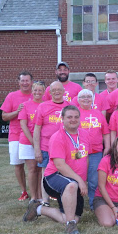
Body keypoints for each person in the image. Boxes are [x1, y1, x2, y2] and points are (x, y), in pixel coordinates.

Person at [26, 105, 88, 234]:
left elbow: (84, 157)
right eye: (69, 117)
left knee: (73, 217)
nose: (73, 119)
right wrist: (80, 181)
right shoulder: (57, 137)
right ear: (62, 119)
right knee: (72, 185)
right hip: (54, 177)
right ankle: (70, 226)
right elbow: (60, 165)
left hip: (73, 180)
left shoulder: (85, 134)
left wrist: (83, 179)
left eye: (76, 117)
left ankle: (38, 209)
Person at [32, 81, 68, 209]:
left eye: (59, 89)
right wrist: (37, 150)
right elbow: (37, 129)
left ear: (64, 91)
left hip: (65, 147)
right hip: (47, 146)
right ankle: (45, 200)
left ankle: (64, 198)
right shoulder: (43, 106)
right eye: (54, 90)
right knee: (46, 173)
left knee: (64, 173)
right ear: (50, 92)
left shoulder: (70, 106)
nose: (56, 92)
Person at [75, 89, 110, 209]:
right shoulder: (75, 113)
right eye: (83, 97)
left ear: (92, 99)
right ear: (78, 100)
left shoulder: (98, 113)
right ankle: (75, 202)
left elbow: (105, 132)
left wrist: (108, 146)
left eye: (88, 97)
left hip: (96, 152)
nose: (86, 99)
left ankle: (92, 203)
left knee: (94, 180)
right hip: (78, 152)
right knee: (77, 176)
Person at [2, 70, 33, 201]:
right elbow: (4, 116)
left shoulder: (37, 94)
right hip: (15, 136)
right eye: (23, 80)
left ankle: (39, 191)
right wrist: (17, 111)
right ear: (19, 82)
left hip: (32, 136)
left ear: (31, 82)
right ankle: (24, 191)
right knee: (18, 164)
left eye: (27, 80)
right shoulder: (12, 96)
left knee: (35, 167)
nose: (25, 83)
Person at [19, 81, 46, 208]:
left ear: (44, 92)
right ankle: (34, 196)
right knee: (32, 169)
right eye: (35, 90)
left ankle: (41, 196)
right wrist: (33, 142)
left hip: (43, 141)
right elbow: (23, 125)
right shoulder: (25, 105)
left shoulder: (46, 105)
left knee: (41, 169)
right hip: (27, 141)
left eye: (40, 90)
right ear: (32, 91)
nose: (37, 93)